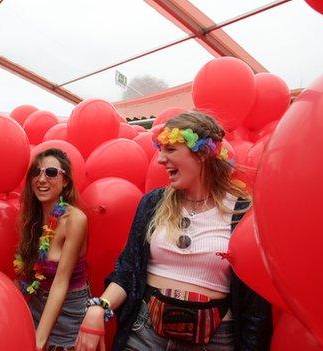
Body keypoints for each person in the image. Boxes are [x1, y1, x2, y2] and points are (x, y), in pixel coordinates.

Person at [75, 112, 272, 351]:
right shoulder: (153, 203)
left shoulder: (242, 211)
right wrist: (99, 306)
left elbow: (255, 303)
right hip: (146, 335)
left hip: (216, 341)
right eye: (160, 150)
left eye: (170, 149)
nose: (160, 159)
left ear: (202, 154)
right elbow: (127, 270)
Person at [14, 148, 89, 351]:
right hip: (36, 305)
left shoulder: (75, 219)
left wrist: (39, 340)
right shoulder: (31, 220)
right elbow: (25, 276)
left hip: (69, 313)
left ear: (65, 181)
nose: (41, 179)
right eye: (36, 173)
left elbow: (60, 281)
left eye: (51, 172)